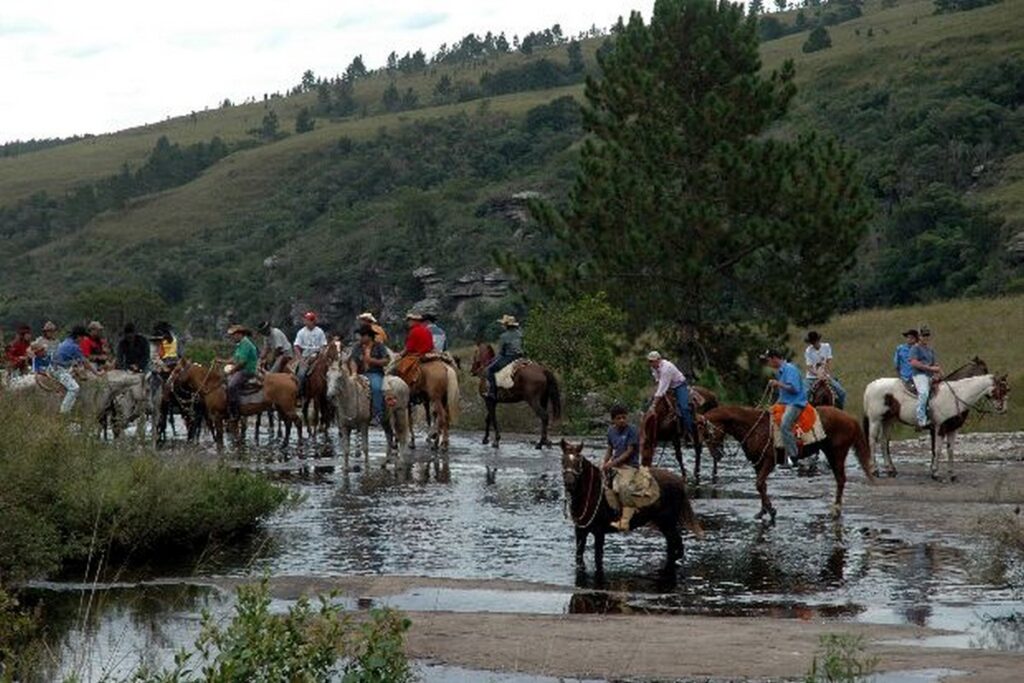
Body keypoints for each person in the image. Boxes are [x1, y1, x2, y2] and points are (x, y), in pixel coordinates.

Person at [762, 349, 807, 468]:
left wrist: (778, 384)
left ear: (775, 358)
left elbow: (794, 389)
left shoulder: (790, 369)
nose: (768, 363)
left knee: (785, 425)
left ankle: (794, 457)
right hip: (785, 402)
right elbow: (783, 395)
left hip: (796, 403)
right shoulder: (780, 372)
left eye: (769, 360)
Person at [603, 404, 642, 531]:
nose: (622, 420)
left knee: (624, 487)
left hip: (629, 466)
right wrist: (604, 463)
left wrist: (613, 463)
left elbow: (629, 452)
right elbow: (610, 449)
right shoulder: (611, 431)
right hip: (615, 465)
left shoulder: (632, 430)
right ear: (613, 420)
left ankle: (625, 522)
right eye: (619, 418)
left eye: (624, 418)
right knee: (604, 487)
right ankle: (613, 514)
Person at [348, 324, 390, 425]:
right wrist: (354, 373)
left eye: (362, 335)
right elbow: (353, 360)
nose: (360, 338)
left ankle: (377, 414)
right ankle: (352, 413)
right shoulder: (357, 347)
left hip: (375, 372)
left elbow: (386, 360)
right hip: (360, 373)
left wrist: (372, 361)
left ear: (368, 336)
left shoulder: (379, 346)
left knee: (376, 388)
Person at [647, 351, 694, 435]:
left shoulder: (666, 368)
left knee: (684, 407)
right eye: (650, 361)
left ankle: (690, 430)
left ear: (659, 360)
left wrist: (654, 404)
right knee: (648, 401)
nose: (651, 363)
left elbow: (662, 388)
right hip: (668, 386)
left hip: (679, 385)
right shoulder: (653, 367)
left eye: (653, 361)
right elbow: (658, 380)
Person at [803, 331, 847, 409]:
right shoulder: (808, 350)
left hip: (825, 375)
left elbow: (828, 361)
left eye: (815, 341)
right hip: (811, 377)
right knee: (804, 393)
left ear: (818, 340)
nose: (814, 344)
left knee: (841, 392)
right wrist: (818, 374)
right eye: (812, 342)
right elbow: (809, 367)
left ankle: (840, 410)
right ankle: (806, 412)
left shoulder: (826, 346)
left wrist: (825, 373)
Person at [909, 326, 941, 428]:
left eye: (927, 335)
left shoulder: (930, 350)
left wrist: (938, 372)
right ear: (919, 336)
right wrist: (930, 369)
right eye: (924, 335)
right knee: (923, 393)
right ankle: (920, 419)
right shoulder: (915, 348)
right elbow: (913, 362)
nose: (926, 337)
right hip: (919, 375)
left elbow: (935, 363)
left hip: (930, 375)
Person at [486, 314, 524, 399]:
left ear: (506, 326)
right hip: (521, 356)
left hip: (509, 357)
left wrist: (495, 359)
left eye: (503, 324)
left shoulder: (503, 336)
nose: (502, 326)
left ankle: (492, 392)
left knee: (490, 370)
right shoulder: (520, 333)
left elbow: (502, 352)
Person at [52, 326, 89, 414]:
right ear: (79, 336)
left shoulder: (66, 341)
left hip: (59, 367)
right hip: (59, 370)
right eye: (82, 337)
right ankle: (64, 411)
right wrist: (97, 373)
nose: (83, 339)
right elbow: (84, 361)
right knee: (74, 388)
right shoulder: (74, 346)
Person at [226, 324, 259, 420]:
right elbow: (235, 359)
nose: (232, 337)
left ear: (240, 334)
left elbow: (242, 362)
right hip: (241, 369)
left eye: (234, 335)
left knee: (232, 385)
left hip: (247, 370)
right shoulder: (240, 344)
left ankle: (235, 410)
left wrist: (232, 370)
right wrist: (221, 361)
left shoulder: (246, 344)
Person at [293, 311, 327, 395]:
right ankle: (299, 393)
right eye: (305, 320)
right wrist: (301, 359)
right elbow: (296, 346)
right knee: (301, 374)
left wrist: (321, 356)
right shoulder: (301, 332)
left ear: (313, 321)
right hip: (306, 356)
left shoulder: (320, 331)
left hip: (318, 355)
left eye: (308, 320)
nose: (306, 322)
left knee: (329, 373)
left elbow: (323, 345)